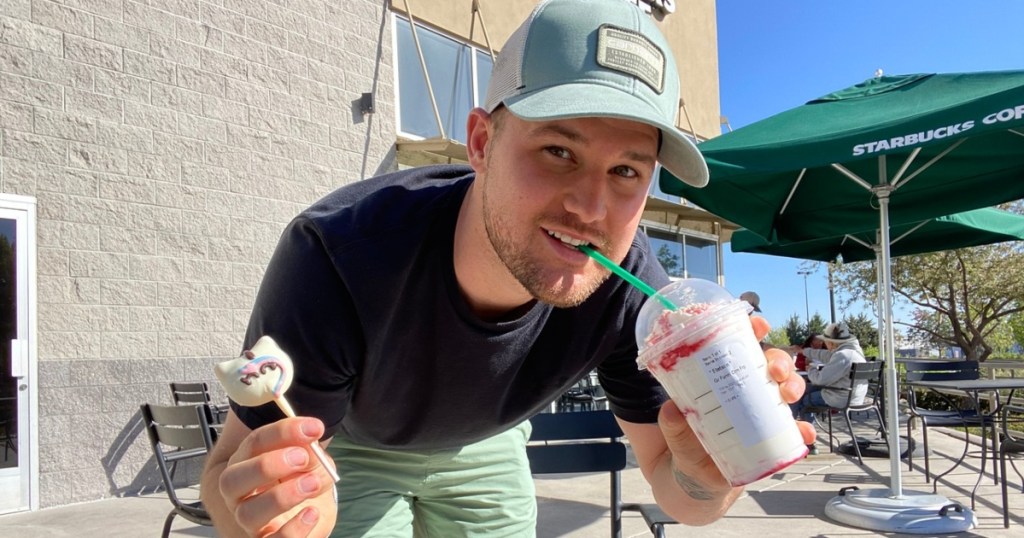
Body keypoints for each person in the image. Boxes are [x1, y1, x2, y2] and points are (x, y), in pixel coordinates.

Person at [199, 1, 813, 536]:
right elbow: (225, 470)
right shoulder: (337, 253)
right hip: (350, 445)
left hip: (488, 441)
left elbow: (676, 488)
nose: (591, 209)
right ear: (482, 144)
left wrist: (713, 471)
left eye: (627, 170)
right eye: (558, 151)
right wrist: (264, 513)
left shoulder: (644, 305)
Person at [788, 322, 866, 455]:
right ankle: (797, 431)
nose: (825, 344)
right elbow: (825, 356)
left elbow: (820, 379)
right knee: (802, 390)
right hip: (851, 394)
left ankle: (806, 441)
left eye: (826, 341)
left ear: (832, 342)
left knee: (802, 398)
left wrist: (811, 369)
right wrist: (804, 351)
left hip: (840, 397)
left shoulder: (843, 356)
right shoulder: (852, 352)